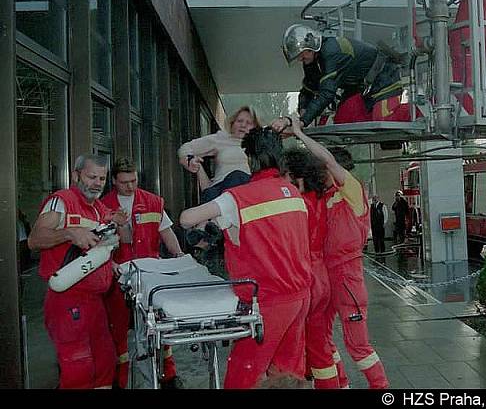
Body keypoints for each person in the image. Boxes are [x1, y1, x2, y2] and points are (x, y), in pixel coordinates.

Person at [179, 127, 311, 389]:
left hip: (266, 303)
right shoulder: (293, 194)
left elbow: (186, 219)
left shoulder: (237, 198)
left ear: (250, 159)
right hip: (300, 296)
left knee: (244, 377)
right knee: (287, 375)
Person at [287, 115, 390, 389]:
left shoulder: (352, 192)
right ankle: (341, 384)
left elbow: (327, 160)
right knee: (325, 339)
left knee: (358, 345)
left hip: (347, 279)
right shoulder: (323, 198)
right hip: (326, 278)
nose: (321, 172)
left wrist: (299, 133)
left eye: (325, 167)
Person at [27, 154, 126, 389]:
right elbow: (34, 240)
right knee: (78, 368)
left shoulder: (100, 209)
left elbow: (98, 250)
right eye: (92, 176)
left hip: (95, 302)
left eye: (102, 178)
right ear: (76, 175)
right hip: (67, 300)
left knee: (105, 365)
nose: (97, 183)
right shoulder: (61, 201)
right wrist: (69, 233)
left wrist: (110, 264)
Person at [100, 157, 183, 389]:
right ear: (114, 181)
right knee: (118, 333)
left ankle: (168, 377)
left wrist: (179, 256)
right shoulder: (104, 206)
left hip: (150, 276)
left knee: (160, 328)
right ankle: (119, 381)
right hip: (118, 278)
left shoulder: (153, 202)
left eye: (134, 180)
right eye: (125, 182)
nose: (130, 186)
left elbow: (166, 232)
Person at [272, 24, 408, 130]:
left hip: (384, 77)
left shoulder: (331, 51)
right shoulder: (311, 60)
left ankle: (417, 113)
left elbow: (327, 93)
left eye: (302, 54)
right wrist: (303, 110)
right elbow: (308, 89)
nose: (301, 59)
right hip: (362, 86)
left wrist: (303, 121)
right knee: (343, 120)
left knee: (384, 120)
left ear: (311, 46)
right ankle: (372, 115)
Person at [281, 148, 341, 389]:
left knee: (313, 347)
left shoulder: (295, 203)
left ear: (297, 176)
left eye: (285, 174)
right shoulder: (322, 198)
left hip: (304, 277)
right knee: (319, 342)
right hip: (322, 275)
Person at [178, 105, 260, 204]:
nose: (243, 125)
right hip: (221, 195)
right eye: (239, 121)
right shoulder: (221, 139)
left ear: (255, 126)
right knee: (237, 176)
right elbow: (185, 148)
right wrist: (190, 160)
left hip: (248, 199)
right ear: (232, 122)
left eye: (248, 123)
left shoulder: (260, 145)